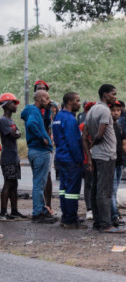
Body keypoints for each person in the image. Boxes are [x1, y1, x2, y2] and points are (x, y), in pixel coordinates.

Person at [83, 84, 123, 233]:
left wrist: (89, 154)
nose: (115, 96)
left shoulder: (92, 110)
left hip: (97, 155)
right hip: (106, 156)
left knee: (95, 189)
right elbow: (99, 134)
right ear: (105, 94)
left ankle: (98, 222)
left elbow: (83, 137)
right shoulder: (105, 111)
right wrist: (94, 143)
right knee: (104, 191)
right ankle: (106, 224)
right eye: (113, 94)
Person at [52, 92, 87, 229]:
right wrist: (80, 160)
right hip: (71, 159)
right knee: (72, 191)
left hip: (61, 157)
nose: (79, 103)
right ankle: (71, 220)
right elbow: (73, 142)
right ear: (70, 102)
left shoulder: (58, 117)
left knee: (64, 188)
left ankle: (65, 216)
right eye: (77, 101)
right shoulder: (70, 119)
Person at [21, 90, 56, 224]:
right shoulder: (34, 111)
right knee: (39, 184)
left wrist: (47, 110)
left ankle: (41, 208)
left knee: (39, 182)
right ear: (40, 99)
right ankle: (37, 212)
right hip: (40, 150)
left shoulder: (33, 111)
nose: (49, 100)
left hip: (36, 150)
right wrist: (42, 138)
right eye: (46, 98)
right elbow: (31, 124)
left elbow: (46, 122)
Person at [0, 93, 27, 221]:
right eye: (13, 103)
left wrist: (17, 133)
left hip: (14, 157)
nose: (15, 106)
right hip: (8, 158)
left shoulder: (10, 120)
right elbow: (14, 135)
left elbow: (17, 133)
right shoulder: (3, 120)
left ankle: (14, 211)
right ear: (7, 105)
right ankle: (3, 212)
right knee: (8, 183)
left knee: (14, 184)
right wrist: (17, 133)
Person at [34, 81, 57, 214]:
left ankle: (48, 204)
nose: (42, 92)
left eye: (44, 89)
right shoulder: (33, 108)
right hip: (37, 144)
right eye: (39, 89)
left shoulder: (53, 106)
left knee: (47, 174)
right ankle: (40, 205)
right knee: (40, 176)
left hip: (49, 143)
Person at [111, 100, 126, 226]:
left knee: (115, 190)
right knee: (112, 189)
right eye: (113, 110)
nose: (116, 113)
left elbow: (124, 144)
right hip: (111, 161)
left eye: (118, 110)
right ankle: (114, 214)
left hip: (120, 161)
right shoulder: (107, 126)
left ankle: (115, 212)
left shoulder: (120, 126)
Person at [80, 101, 96, 220]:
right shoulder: (82, 127)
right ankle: (89, 209)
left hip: (99, 159)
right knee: (89, 184)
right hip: (86, 160)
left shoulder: (101, 125)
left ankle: (95, 208)